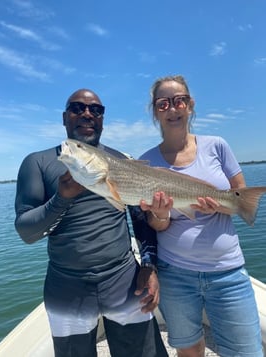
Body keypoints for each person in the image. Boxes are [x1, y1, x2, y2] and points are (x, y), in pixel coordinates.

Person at [14, 88, 168, 357]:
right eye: (77, 108)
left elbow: (141, 220)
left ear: (102, 120)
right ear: (65, 117)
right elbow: (27, 231)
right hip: (66, 286)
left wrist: (149, 265)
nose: (87, 113)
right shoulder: (37, 162)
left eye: (96, 110)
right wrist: (61, 198)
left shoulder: (121, 160)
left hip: (123, 279)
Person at [139, 75, 264, 357]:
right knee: (190, 350)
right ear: (155, 111)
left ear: (190, 105)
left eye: (179, 100)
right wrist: (160, 215)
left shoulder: (217, 146)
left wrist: (219, 206)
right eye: (163, 104)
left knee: (247, 351)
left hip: (227, 271)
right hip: (175, 274)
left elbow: (240, 196)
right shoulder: (144, 163)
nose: (172, 108)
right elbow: (158, 224)